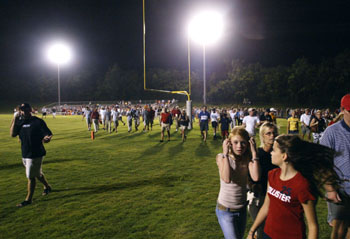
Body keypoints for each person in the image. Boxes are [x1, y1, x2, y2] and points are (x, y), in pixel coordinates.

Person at [247, 135, 340, 239]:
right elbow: (266, 206)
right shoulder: (272, 175)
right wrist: (252, 231)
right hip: (268, 234)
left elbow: (313, 226)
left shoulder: (302, 185)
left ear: (284, 156)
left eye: (274, 150)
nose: (271, 153)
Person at [216, 127, 260, 239]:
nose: (239, 146)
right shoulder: (221, 157)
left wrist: (254, 153)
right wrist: (225, 154)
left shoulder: (247, 159)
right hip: (225, 210)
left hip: (241, 209)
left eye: (243, 143)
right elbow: (226, 178)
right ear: (229, 143)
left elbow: (256, 177)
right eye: (235, 142)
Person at [10, 103, 53, 207]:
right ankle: (47, 187)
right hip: (25, 152)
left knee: (30, 176)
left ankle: (28, 199)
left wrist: (47, 138)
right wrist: (14, 119)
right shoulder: (19, 122)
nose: (24, 111)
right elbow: (12, 134)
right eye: (22, 110)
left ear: (30, 110)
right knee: (37, 173)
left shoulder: (38, 121)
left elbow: (48, 133)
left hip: (36, 153)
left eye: (26, 109)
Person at [320, 93, 350, 239]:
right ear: (342, 110)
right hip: (340, 188)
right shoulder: (331, 132)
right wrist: (330, 190)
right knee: (338, 229)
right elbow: (323, 165)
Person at [247, 122, 278, 239]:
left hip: (275, 197)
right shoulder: (257, 154)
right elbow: (255, 178)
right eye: (268, 133)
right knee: (262, 231)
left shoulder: (279, 154)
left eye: (274, 133)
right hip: (258, 198)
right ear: (262, 136)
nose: (272, 136)